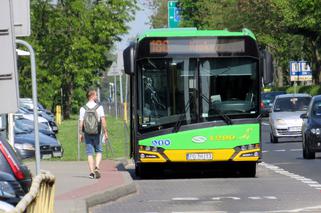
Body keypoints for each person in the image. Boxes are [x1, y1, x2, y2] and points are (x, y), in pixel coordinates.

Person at [79, 89, 108, 179]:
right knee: (99, 151)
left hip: (87, 133)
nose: (97, 97)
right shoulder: (99, 107)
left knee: (89, 153)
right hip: (97, 132)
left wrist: (81, 134)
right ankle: (97, 167)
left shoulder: (83, 108)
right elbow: (103, 120)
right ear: (92, 96)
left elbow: (81, 122)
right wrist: (105, 132)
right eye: (96, 95)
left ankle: (91, 172)